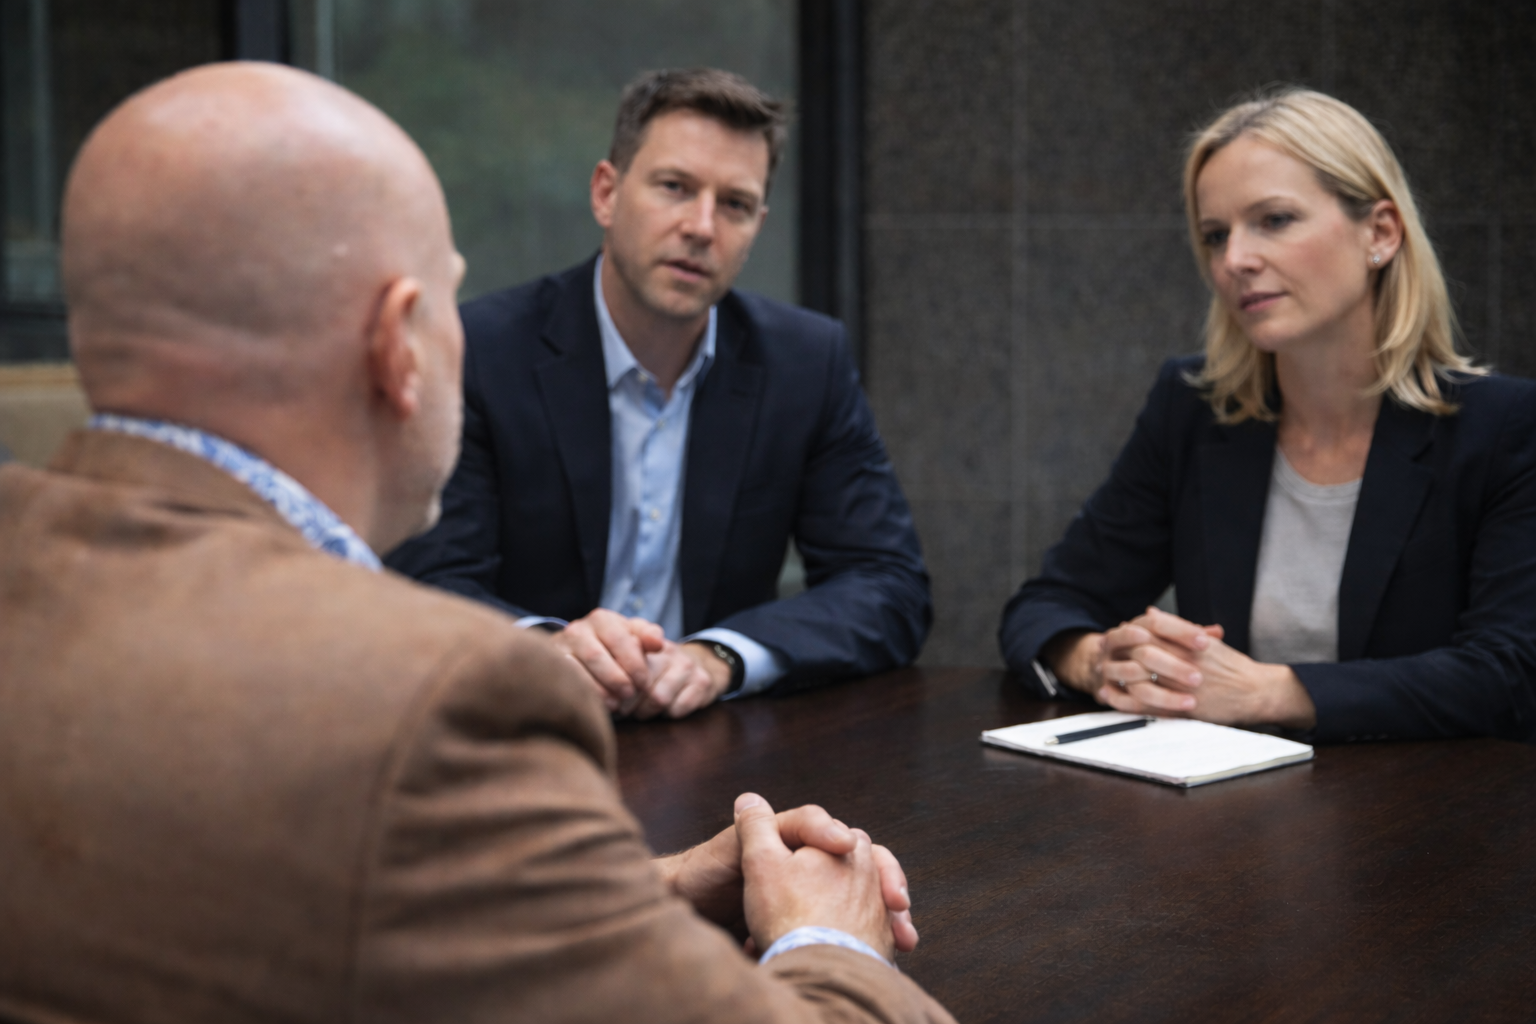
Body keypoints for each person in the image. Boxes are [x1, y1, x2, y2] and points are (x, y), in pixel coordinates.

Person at [0, 63, 955, 1023]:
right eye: (444, 296)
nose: (701, 224)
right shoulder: (432, 697)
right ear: (398, 343)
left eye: (734, 202)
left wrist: (650, 888)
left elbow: (291, 901)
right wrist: (827, 940)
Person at [386, 68, 930, 720]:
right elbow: (423, 579)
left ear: (758, 224)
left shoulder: (805, 363)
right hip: (517, 726)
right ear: (606, 193)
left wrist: (719, 657)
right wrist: (547, 649)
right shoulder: (482, 350)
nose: (701, 226)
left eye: (734, 205)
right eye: (675, 188)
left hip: (712, 735)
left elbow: (887, 584)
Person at [998, 87, 1536, 744]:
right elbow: (1046, 604)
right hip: (1226, 796)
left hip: (1427, 799)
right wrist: (1101, 661)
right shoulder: (1193, 409)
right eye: (1215, 236)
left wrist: (1270, 692)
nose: (1235, 260)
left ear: (1380, 233)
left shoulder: (1503, 427)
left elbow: (1511, 674)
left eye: (1274, 220)